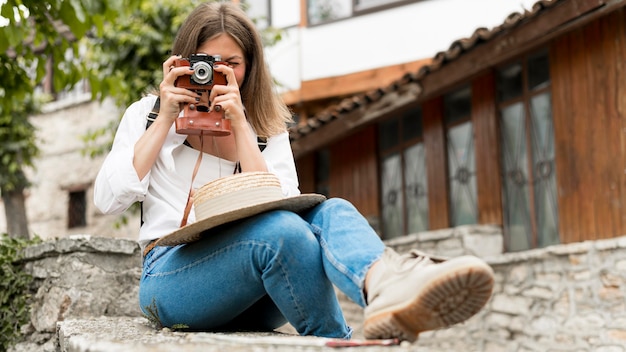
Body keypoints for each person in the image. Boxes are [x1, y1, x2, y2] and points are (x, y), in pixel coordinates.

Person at [94, 1, 494, 342]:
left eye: (231, 64)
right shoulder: (146, 115)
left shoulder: (264, 128)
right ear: (182, 64)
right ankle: (341, 342)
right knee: (284, 234)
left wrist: (242, 130)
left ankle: (387, 287)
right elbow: (107, 201)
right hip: (171, 279)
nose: (215, 75)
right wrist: (165, 119)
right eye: (205, 64)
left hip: (257, 293)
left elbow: (280, 206)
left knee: (330, 210)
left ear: (249, 67)